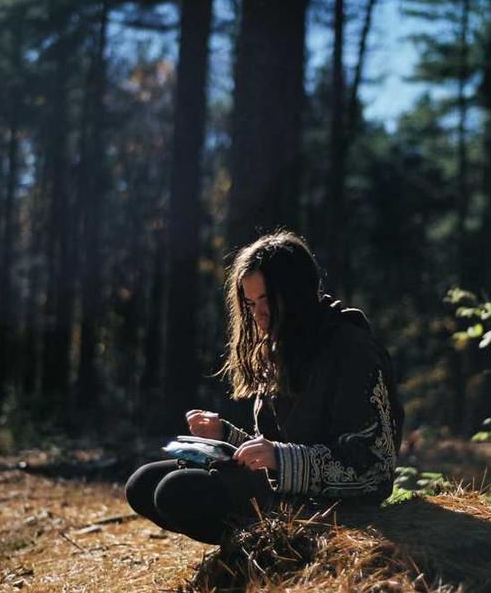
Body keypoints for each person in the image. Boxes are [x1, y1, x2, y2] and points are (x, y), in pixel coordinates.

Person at [125, 231, 403, 544]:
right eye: (250, 303)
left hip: (330, 510)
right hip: (284, 493)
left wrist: (281, 459)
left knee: (175, 492)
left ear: (297, 293)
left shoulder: (351, 350)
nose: (258, 314)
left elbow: (375, 470)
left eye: (267, 300)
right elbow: (273, 449)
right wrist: (226, 436)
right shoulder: (282, 345)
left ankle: (269, 552)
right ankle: (253, 550)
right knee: (142, 484)